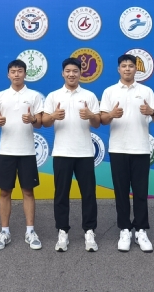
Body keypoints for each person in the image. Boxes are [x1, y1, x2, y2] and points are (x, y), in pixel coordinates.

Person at [99, 53, 154, 253]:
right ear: (118, 69)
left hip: (141, 148)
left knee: (141, 192)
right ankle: (125, 230)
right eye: (124, 66)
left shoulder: (146, 91)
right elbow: (102, 119)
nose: (127, 69)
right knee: (121, 192)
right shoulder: (110, 91)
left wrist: (151, 112)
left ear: (136, 69)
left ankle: (141, 230)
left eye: (131, 66)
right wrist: (111, 114)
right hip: (118, 148)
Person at [41, 57, 101, 252]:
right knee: (61, 194)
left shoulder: (89, 96)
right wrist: (53, 116)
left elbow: (97, 123)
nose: (71, 74)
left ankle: (89, 232)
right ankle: (62, 232)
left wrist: (91, 116)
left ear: (80, 73)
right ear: (62, 73)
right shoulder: (54, 96)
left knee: (88, 194)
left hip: (84, 153)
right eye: (68, 71)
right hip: (62, 152)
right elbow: (45, 122)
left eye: (75, 71)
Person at [0, 59, 44, 250]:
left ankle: (30, 231)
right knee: (4, 192)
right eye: (13, 71)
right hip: (6, 151)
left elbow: (40, 123)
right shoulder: (0, 96)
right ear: (8, 75)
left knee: (28, 191)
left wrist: (33, 119)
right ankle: (4, 232)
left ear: (25, 74)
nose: (16, 74)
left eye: (20, 71)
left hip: (27, 151)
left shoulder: (34, 96)